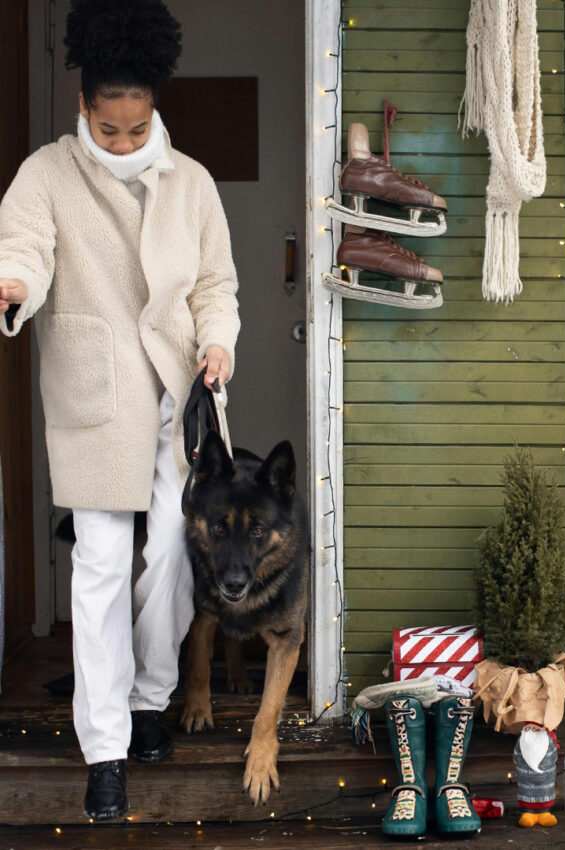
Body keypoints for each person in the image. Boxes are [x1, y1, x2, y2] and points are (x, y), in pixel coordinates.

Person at [0, 0, 240, 821]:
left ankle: (149, 696)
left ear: (154, 110)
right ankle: (105, 748)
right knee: (100, 566)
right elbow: (23, 245)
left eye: (137, 129)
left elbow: (216, 287)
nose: (126, 143)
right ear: (83, 110)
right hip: (97, 396)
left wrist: (220, 342)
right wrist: (18, 286)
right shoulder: (46, 174)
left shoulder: (194, 183)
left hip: (179, 398)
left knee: (173, 551)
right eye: (110, 130)